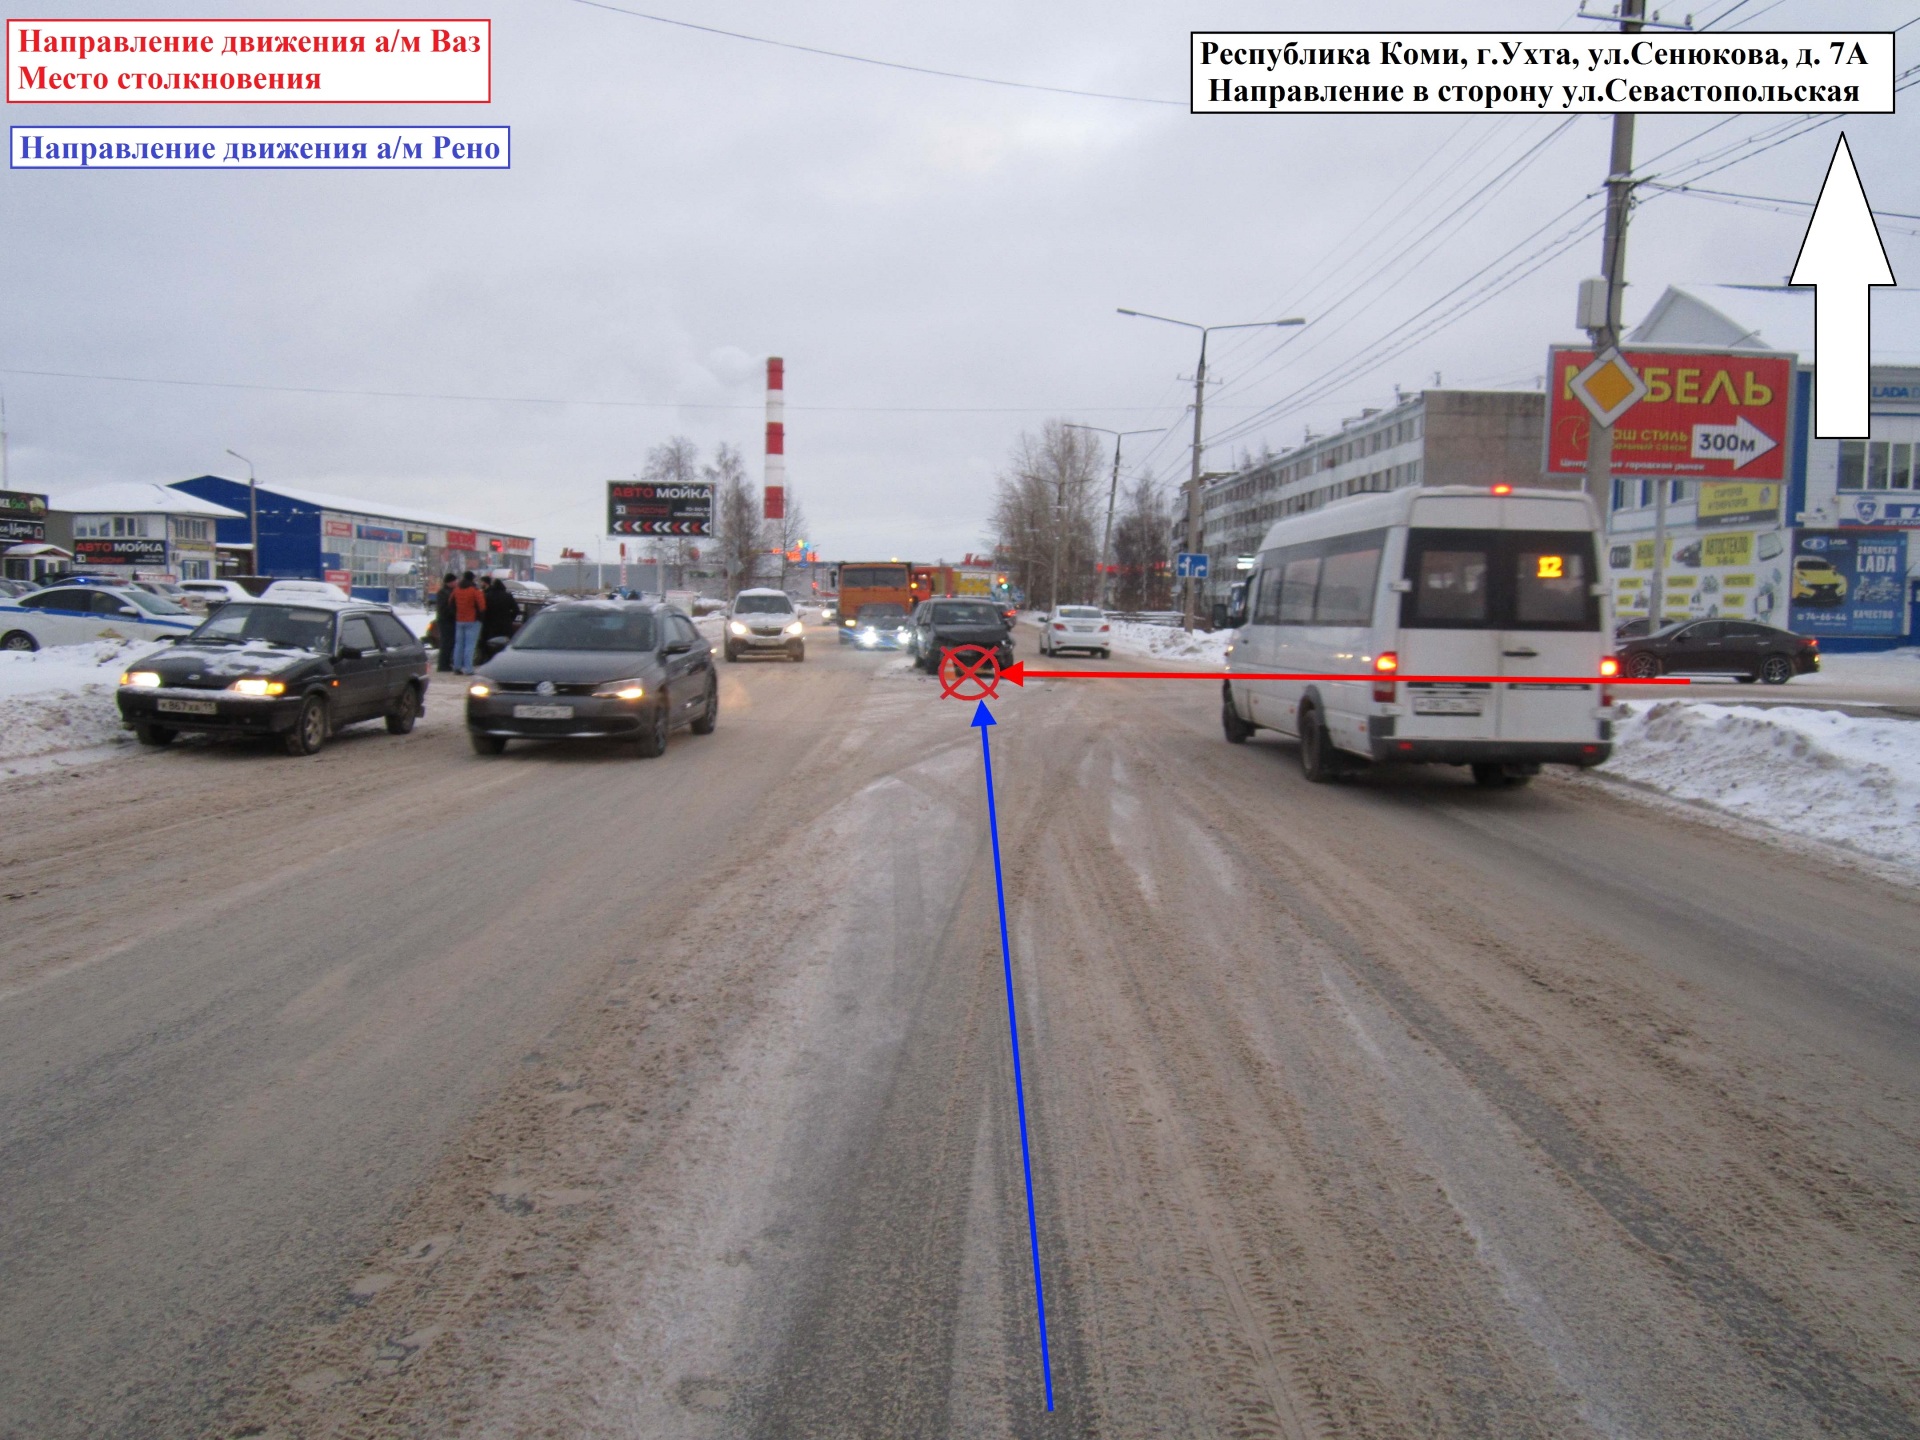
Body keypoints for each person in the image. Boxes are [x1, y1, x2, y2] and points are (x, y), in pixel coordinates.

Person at [450, 570, 487, 673]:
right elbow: (482, 606)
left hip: (459, 620)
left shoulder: (456, 590)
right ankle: (468, 668)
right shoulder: (474, 591)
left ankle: (457, 667)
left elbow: (451, 603)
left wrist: (456, 615)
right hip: (473, 621)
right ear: (472, 579)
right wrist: (480, 618)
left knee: (459, 644)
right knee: (470, 645)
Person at [483, 576, 520, 656]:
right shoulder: (507, 596)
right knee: (506, 644)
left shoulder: (487, 596)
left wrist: (486, 620)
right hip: (505, 625)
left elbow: (483, 610)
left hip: (491, 625)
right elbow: (516, 610)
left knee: (491, 644)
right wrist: (510, 618)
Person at [432, 572, 457, 672]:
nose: (456, 583)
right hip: (446, 621)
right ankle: (443, 665)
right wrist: (453, 613)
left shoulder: (448, 591)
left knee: (449, 642)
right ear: (450, 582)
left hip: (447, 620)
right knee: (447, 642)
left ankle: (446, 663)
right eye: (454, 581)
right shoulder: (443, 593)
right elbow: (444, 608)